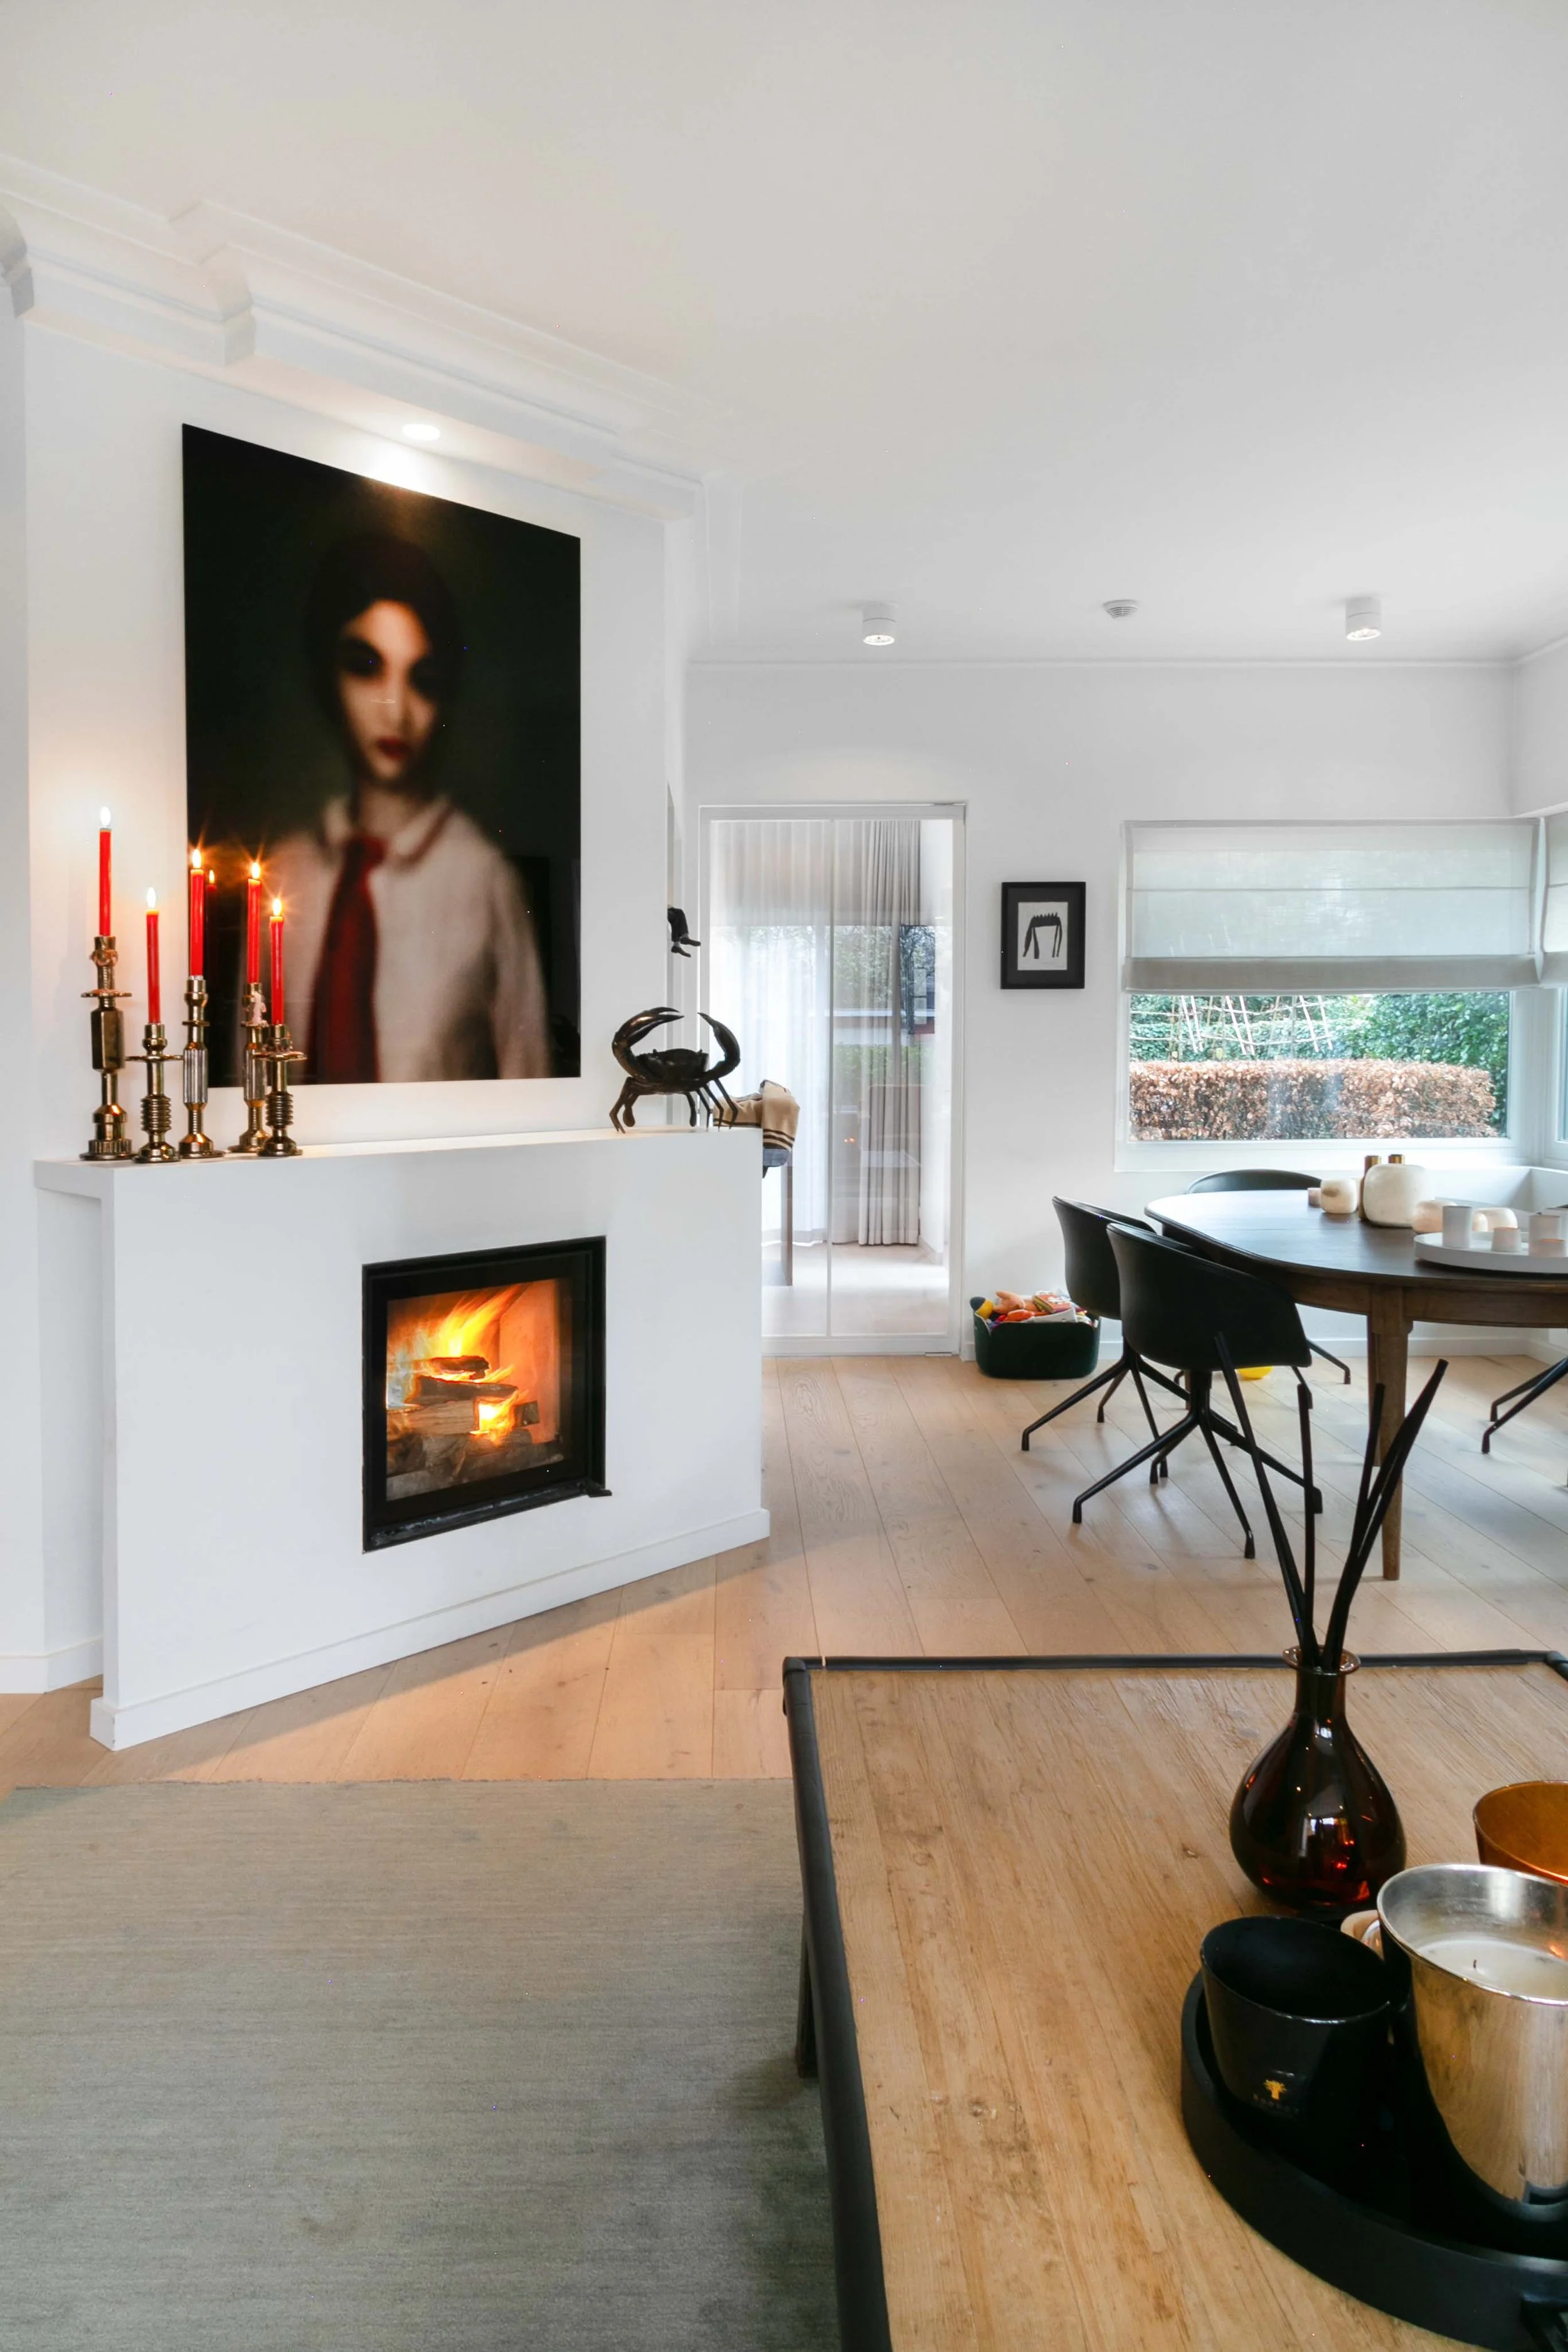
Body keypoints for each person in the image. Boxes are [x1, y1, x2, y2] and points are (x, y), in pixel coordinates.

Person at [267, 532, 552, 1082]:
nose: (395, 709)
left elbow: (530, 1077)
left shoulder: (484, 880)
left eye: (422, 680)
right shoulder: (283, 873)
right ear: (327, 675)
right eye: (366, 666)